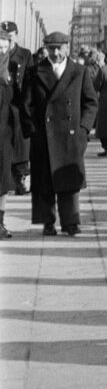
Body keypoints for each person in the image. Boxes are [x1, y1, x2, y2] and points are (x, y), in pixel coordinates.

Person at [19, 32, 98, 236]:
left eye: (59, 48)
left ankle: (71, 222)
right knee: (44, 181)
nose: (55, 52)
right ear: (45, 48)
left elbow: (91, 103)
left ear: (67, 48)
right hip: (43, 136)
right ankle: (47, 222)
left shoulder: (79, 72)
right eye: (51, 48)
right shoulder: (35, 72)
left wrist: (83, 130)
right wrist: (33, 132)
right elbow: (26, 105)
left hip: (71, 136)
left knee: (69, 182)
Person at [1, 21, 33, 195]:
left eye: (10, 36)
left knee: (21, 142)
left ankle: (20, 177)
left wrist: (28, 102)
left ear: (16, 35)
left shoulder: (25, 54)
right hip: (2, 102)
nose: (7, 39)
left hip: (18, 102)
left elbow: (30, 78)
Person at [0, 27, 20, 237]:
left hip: (4, 131)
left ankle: (0, 222)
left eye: (5, 48)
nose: (2, 52)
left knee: (3, 179)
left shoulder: (12, 68)